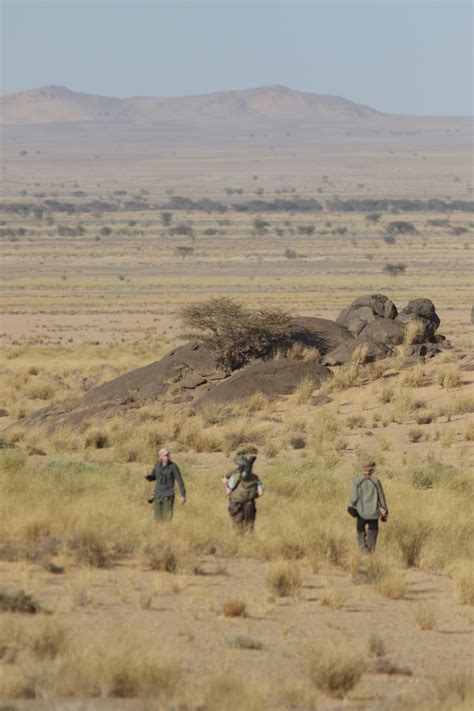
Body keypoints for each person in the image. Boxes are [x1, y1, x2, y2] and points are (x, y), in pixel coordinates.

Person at [349, 459, 388, 552]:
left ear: (363, 469)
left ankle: (364, 551)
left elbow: (353, 499)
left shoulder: (357, 482)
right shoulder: (376, 482)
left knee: (360, 532)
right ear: (373, 470)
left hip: (361, 513)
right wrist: (385, 512)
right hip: (374, 514)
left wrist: (354, 506)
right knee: (372, 533)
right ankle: (370, 553)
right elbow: (382, 500)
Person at [223, 453, 264, 531]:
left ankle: (239, 542)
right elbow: (260, 493)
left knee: (238, 527)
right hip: (250, 503)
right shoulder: (255, 477)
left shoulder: (234, 476)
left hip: (235, 504)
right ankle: (249, 542)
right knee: (249, 527)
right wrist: (251, 496)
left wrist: (225, 483)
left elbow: (228, 492)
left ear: (238, 465)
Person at [145, 448, 186, 522]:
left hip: (168, 496)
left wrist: (183, 495)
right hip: (157, 496)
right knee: (157, 519)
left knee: (167, 519)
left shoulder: (173, 466)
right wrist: (147, 476)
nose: (166, 457)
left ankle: (166, 532)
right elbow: (153, 477)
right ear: (160, 457)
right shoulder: (157, 465)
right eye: (164, 455)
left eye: (167, 455)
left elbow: (180, 481)